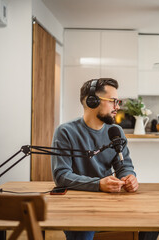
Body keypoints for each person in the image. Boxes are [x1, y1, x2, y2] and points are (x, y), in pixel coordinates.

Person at [51, 78, 139, 240]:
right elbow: (61, 176)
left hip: (110, 202)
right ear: (93, 101)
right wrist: (98, 184)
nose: (118, 107)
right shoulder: (65, 132)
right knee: (83, 232)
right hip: (77, 206)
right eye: (113, 101)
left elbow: (123, 166)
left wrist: (128, 177)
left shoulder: (116, 131)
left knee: (149, 225)